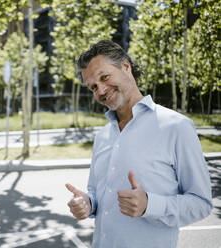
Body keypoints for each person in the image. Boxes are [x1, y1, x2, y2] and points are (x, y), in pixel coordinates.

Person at [66, 40, 213, 248]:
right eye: (93, 87)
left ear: (125, 66)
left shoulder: (176, 127)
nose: (100, 91)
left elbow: (201, 204)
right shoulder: (103, 136)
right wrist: (88, 203)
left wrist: (149, 205)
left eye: (104, 77)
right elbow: (97, 195)